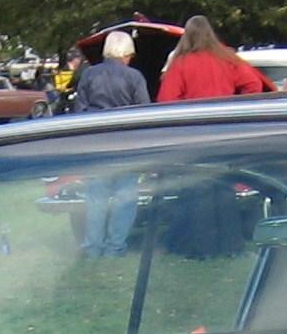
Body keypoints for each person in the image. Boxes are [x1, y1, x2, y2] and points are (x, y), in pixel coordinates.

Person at [74, 32, 149, 256]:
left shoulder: (89, 74)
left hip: (96, 146)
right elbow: (144, 112)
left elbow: (80, 110)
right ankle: (115, 247)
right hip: (126, 147)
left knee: (95, 200)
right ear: (126, 54)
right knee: (125, 200)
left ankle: (92, 247)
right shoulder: (135, 77)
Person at [158, 15, 269, 101]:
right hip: (224, 116)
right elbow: (254, 84)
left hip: (194, 118)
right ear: (210, 34)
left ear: (186, 36)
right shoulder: (227, 57)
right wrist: (236, 106)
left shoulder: (180, 63)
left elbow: (167, 98)